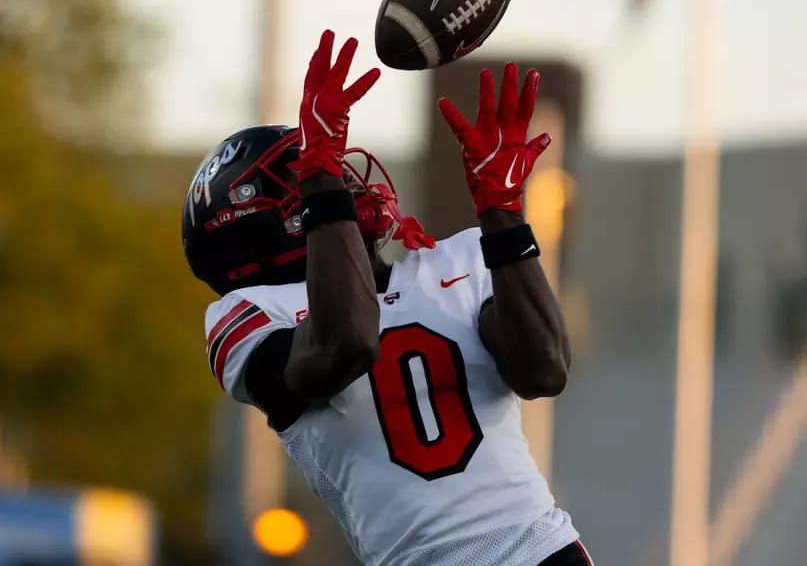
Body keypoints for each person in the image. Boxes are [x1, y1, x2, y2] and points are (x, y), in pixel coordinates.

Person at [182, 30, 592, 565]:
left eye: (327, 166)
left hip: (543, 553)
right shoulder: (249, 317)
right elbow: (346, 345)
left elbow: (544, 369)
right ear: (260, 227)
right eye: (302, 177)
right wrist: (320, 181)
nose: (345, 178)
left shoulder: (460, 260)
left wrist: (504, 213)